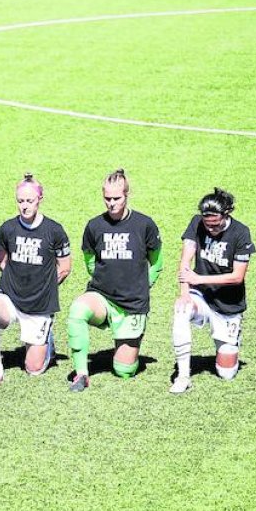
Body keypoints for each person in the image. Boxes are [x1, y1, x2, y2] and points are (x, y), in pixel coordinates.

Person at [67, 168, 161, 392]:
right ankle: (82, 374)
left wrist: (140, 286)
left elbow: (156, 263)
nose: (111, 203)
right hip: (102, 297)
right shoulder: (94, 226)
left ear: (127, 195)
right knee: (77, 311)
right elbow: (90, 262)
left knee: (123, 371)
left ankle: (131, 342)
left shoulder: (144, 225)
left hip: (132, 305)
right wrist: (105, 282)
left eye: (116, 198)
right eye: (107, 198)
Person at [0, 173, 71, 386]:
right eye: (20, 201)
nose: (25, 206)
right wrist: (17, 284)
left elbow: (64, 268)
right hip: (10, 296)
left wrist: (42, 288)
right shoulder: (7, 229)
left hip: (39, 304)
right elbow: (2, 263)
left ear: (40, 198)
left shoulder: (54, 231)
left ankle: (46, 341)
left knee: (34, 370)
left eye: (29, 201)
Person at [170, 188, 255, 393]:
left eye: (215, 225)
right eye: (207, 225)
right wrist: (184, 293)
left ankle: (230, 342)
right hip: (201, 295)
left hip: (228, 304)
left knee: (226, 373)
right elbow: (185, 262)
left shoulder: (241, 233)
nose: (210, 230)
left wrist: (199, 278)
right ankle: (183, 376)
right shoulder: (196, 223)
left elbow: (237, 276)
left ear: (226, 215)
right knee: (181, 309)